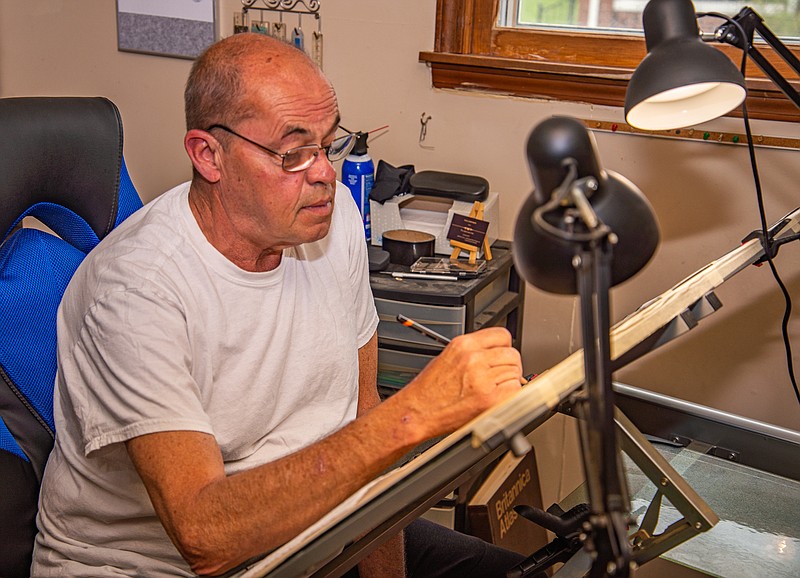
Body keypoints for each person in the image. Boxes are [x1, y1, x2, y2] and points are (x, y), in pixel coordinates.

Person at [32, 33, 527, 577]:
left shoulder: (329, 221)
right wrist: (414, 414)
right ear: (208, 154)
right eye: (292, 153)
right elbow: (205, 538)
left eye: (329, 143)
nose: (324, 173)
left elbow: (361, 417)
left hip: (307, 531)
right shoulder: (137, 290)